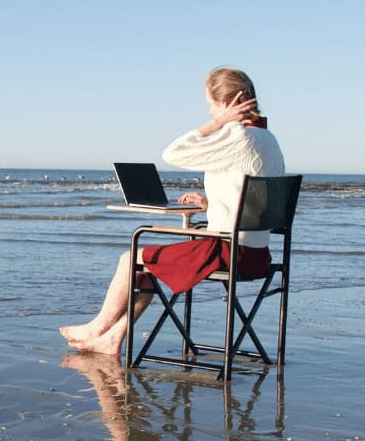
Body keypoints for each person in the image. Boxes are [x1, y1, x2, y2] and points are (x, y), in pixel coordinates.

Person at [61, 67, 285, 355]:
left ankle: (97, 327)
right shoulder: (268, 139)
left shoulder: (239, 137)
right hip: (257, 255)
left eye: (210, 106)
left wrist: (217, 125)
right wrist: (211, 204)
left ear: (227, 103)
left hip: (229, 253)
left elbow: (173, 153)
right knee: (147, 268)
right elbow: (253, 196)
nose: (210, 113)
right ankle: (114, 337)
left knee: (130, 258)